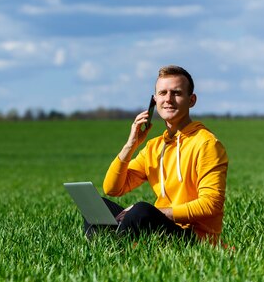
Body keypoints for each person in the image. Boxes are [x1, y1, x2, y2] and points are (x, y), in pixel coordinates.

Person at [84, 65, 229, 243]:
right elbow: (113, 189)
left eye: (176, 93)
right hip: (162, 229)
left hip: (195, 239)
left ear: (191, 100)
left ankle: (117, 252)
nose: (168, 99)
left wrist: (157, 213)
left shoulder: (207, 144)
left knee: (141, 211)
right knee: (97, 207)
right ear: (154, 101)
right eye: (162, 93)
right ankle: (106, 254)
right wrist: (130, 145)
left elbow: (211, 205)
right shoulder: (154, 147)